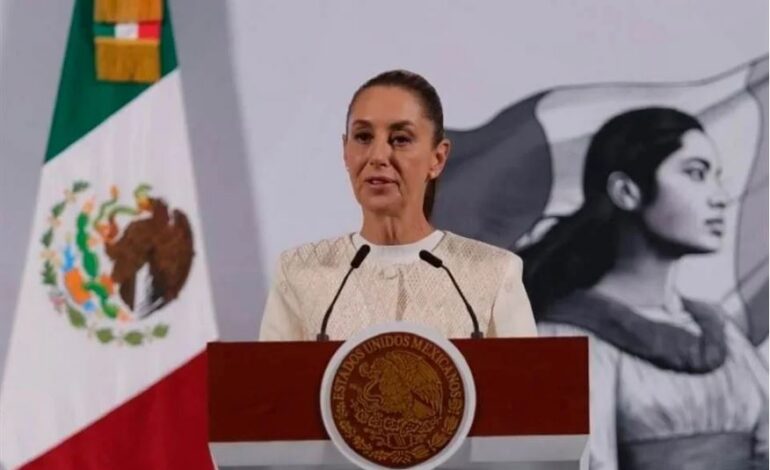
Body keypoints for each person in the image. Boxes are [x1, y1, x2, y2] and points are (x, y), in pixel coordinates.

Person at [519, 107, 768, 469]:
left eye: (717, 177)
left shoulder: (722, 332)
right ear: (626, 192)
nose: (719, 197)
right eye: (696, 174)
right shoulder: (559, 340)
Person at [259, 70, 537, 341]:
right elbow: (271, 374)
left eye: (401, 139)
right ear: (345, 151)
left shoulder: (494, 274)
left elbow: (527, 373)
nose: (378, 156)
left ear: (438, 158)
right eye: (363, 137)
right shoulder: (298, 273)